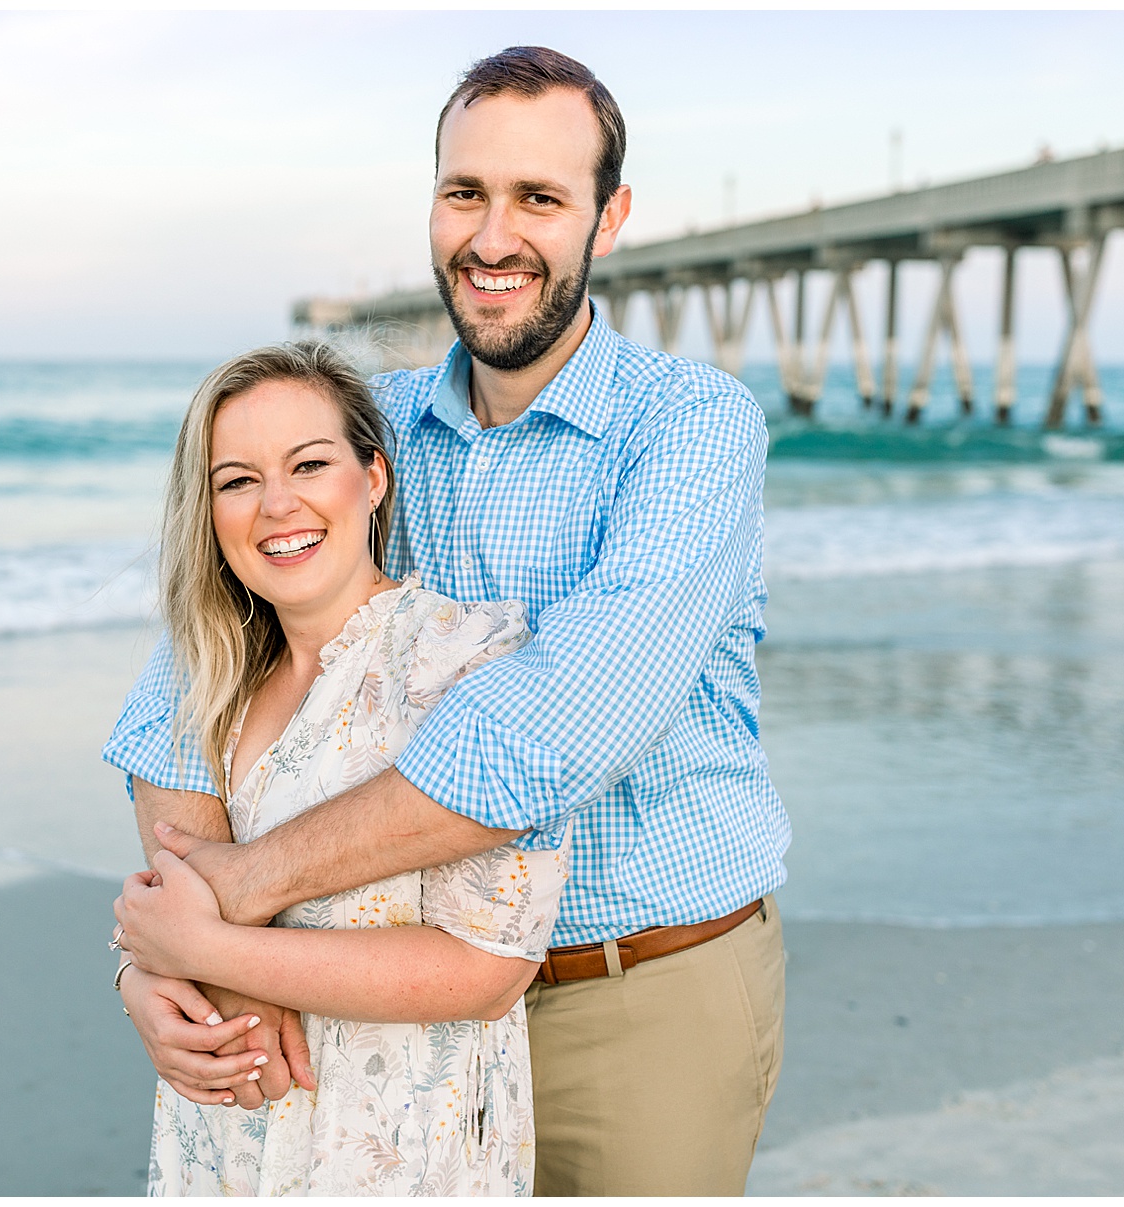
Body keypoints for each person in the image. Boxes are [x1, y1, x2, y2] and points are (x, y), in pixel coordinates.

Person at [106, 45, 790, 1196]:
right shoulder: (373, 434)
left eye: (540, 198)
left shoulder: (689, 426)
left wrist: (233, 898)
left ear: (610, 215)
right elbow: (192, 684)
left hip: (632, 994)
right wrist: (170, 962)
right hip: (378, 1007)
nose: (492, 236)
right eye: (465, 192)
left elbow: (551, 733)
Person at [111, 341, 565, 1195]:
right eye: (237, 480)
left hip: (397, 1149)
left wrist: (213, 950)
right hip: (225, 1137)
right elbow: (159, 906)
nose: (277, 504)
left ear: (374, 477)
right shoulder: (207, 682)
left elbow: (488, 971)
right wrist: (142, 976)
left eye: (310, 464)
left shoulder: (463, 661)